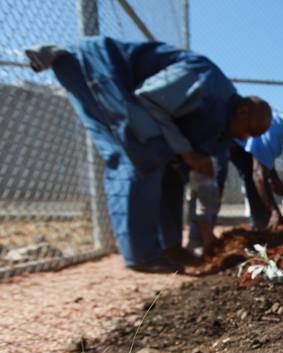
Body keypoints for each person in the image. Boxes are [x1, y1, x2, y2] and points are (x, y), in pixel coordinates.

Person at [25, 37, 270, 272]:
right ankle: (142, 255)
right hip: (99, 69)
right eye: (248, 131)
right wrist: (186, 152)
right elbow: (148, 99)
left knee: (172, 168)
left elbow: (208, 181)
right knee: (139, 151)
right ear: (243, 111)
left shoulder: (221, 132)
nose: (244, 138)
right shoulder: (204, 80)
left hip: (135, 99)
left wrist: (205, 234)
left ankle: (171, 248)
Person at [232, 114, 283, 230]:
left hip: (236, 141)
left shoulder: (279, 126)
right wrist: (274, 211)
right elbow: (259, 176)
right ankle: (263, 228)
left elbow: (263, 159)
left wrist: (275, 179)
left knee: (255, 182)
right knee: (255, 184)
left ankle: (261, 227)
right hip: (226, 137)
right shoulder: (274, 134)